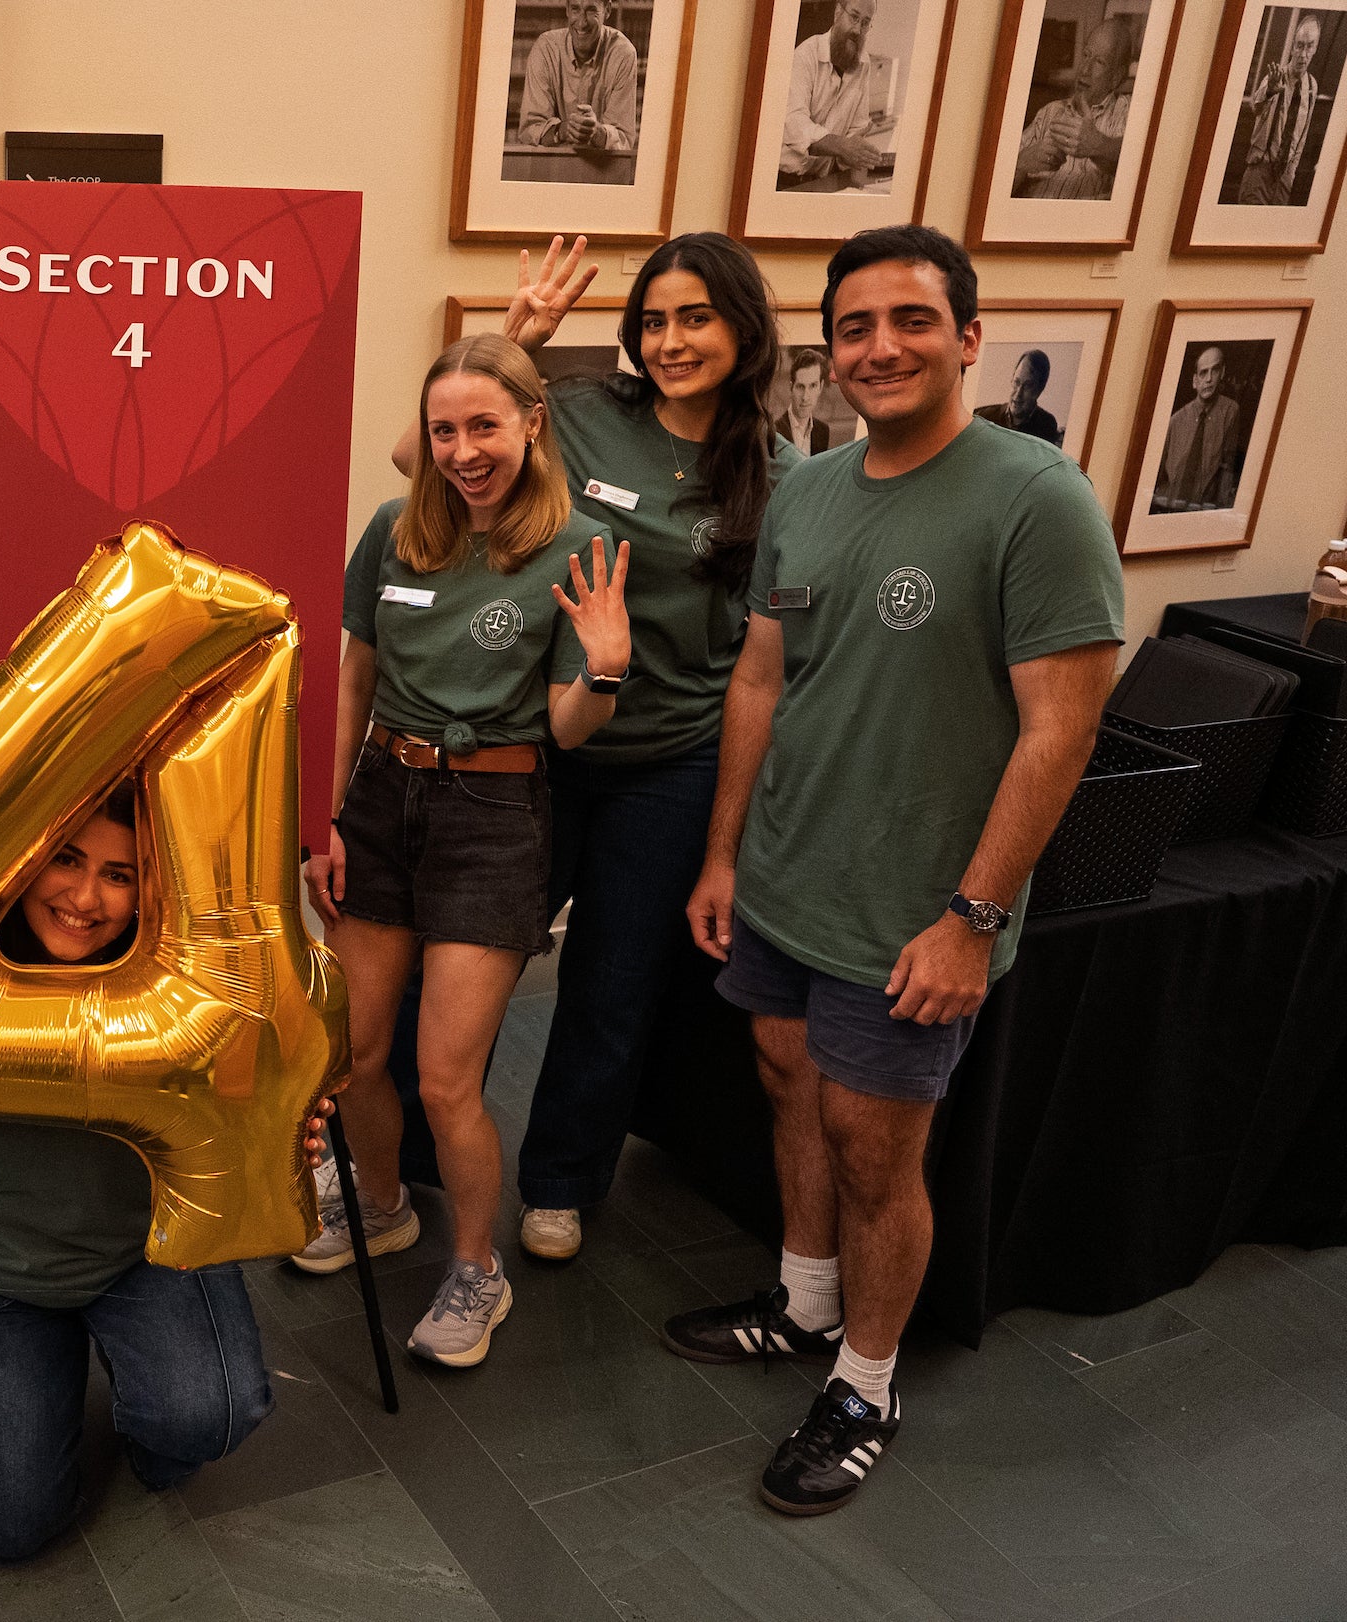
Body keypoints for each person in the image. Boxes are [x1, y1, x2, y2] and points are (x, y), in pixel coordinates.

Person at [673, 225, 1121, 1516]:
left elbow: (1062, 729)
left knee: (876, 1148)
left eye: (912, 320)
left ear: (968, 337)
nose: (881, 346)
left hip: (918, 909)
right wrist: (723, 853)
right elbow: (762, 676)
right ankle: (803, 1301)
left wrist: (972, 918)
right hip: (788, 875)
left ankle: (864, 1382)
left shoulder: (1037, 497)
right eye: (855, 326)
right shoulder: (808, 490)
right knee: (783, 1082)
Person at [391, 235, 798, 1264]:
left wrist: (724, 843)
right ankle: (406, 1156)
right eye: (654, 319)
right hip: (536, 745)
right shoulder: (579, 412)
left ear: (743, 328)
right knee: (462, 957)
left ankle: (564, 1180)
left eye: (696, 316)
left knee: (612, 983)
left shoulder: (777, 474)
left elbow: (759, 668)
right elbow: (417, 466)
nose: (671, 340)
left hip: (669, 763)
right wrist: (517, 334)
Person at [0, 786, 313, 1560]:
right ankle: (51, 1367)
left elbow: (250, 1127)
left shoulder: (190, 984)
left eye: (119, 875)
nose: (85, 898)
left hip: (139, 1254)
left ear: (153, 887)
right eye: (68, 860)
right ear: (25, 859)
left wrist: (287, 1141)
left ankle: (136, 1388)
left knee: (209, 1415)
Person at [299, 332, 632, 1368]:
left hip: (494, 814)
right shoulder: (396, 530)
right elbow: (353, 675)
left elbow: (566, 728)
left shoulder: (580, 545)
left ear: (535, 423)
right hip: (382, 802)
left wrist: (606, 669)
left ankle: (477, 1269)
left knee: (447, 1078)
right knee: (353, 1054)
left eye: (484, 425)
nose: (462, 449)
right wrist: (327, 818)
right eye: (444, 429)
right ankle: (386, 1204)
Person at [780, 0, 897, 190]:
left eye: (865, 22)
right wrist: (841, 146)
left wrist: (856, 152)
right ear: (837, 13)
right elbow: (794, 123)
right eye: (854, 17)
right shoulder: (805, 55)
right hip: (786, 179)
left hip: (825, 179)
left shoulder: (863, 63)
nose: (858, 30)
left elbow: (858, 126)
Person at [1013, 20, 1133, 201]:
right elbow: (994, 190)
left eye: (1100, 62)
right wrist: (1020, 165)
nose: (1085, 69)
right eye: (1086, 55)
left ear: (1116, 77)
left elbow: (1144, 164)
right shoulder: (1049, 111)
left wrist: (1097, 145)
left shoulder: (1128, 112)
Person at [515, 0, 640, 152]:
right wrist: (562, 130)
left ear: (607, 10)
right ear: (567, 10)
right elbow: (529, 130)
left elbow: (624, 139)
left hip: (603, 168)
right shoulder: (545, 48)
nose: (581, 23)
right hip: (551, 166)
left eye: (591, 10)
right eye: (575, 9)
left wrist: (596, 132)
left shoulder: (623, 53)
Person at [1230, 15, 1324, 206]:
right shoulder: (1275, 77)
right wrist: (1270, 91)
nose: (1303, 54)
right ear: (1292, 47)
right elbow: (1256, 107)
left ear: (1315, 49)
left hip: (1284, 179)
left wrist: (1291, 172)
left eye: (1309, 46)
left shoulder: (1312, 87)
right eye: (1299, 45)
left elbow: (1302, 136)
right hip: (1260, 172)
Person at [1155, 346, 1241, 511]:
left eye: (1214, 371)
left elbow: (1228, 467)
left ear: (1222, 373)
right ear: (1195, 381)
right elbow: (1158, 474)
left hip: (1204, 508)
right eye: (1203, 373)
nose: (1208, 379)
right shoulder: (1176, 421)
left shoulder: (1230, 411)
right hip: (1170, 504)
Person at [975, 348, 1063, 446]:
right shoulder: (982, 417)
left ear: (1040, 389)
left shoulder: (1046, 425)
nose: (1018, 394)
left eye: (1028, 385)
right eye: (1016, 382)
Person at [778, 348, 833, 455]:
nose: (805, 397)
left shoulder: (823, 430)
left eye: (813, 386)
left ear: (820, 387)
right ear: (791, 387)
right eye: (800, 387)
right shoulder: (774, 432)